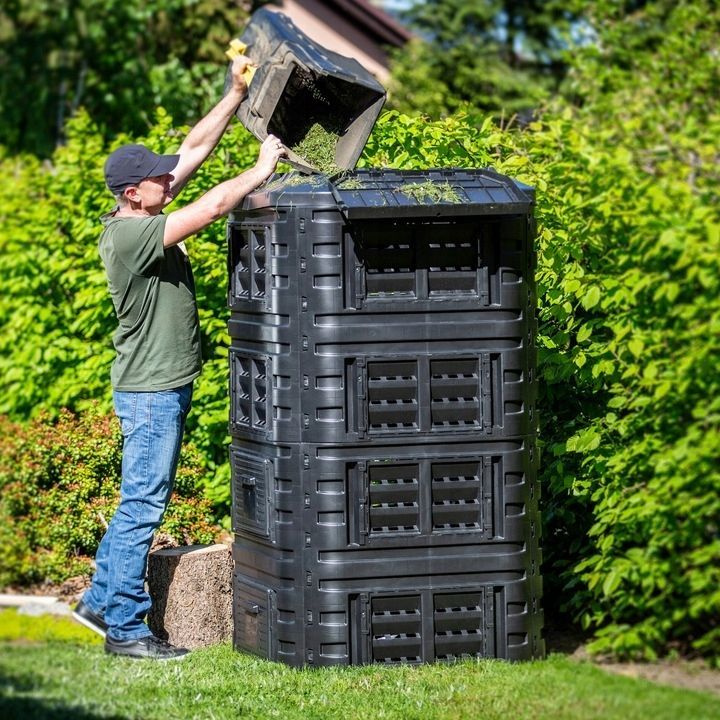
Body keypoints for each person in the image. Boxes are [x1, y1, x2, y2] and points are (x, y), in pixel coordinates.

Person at [72, 56, 285, 660]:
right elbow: (215, 206)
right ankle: (127, 629)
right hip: (150, 392)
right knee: (142, 503)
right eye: (159, 181)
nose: (170, 181)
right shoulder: (132, 236)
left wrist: (233, 93)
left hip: (157, 386)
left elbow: (192, 148)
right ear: (131, 192)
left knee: (136, 497)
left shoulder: (143, 211)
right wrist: (260, 168)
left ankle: (98, 597)